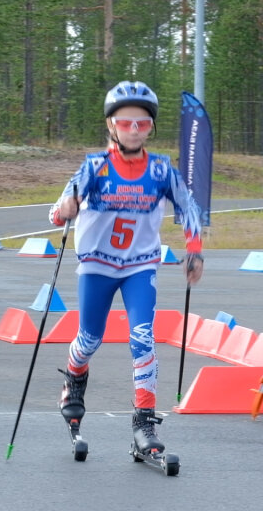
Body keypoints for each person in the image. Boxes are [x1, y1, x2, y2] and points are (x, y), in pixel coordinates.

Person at [48, 80, 204, 456]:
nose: (133, 130)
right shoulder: (94, 167)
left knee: (143, 339)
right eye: (125, 122)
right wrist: (65, 209)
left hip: (140, 267)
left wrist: (194, 251)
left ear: (151, 128)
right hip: (96, 266)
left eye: (142, 123)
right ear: (111, 126)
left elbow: (189, 208)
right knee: (89, 340)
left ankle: (144, 422)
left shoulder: (162, 170)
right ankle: (74, 379)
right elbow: (56, 213)